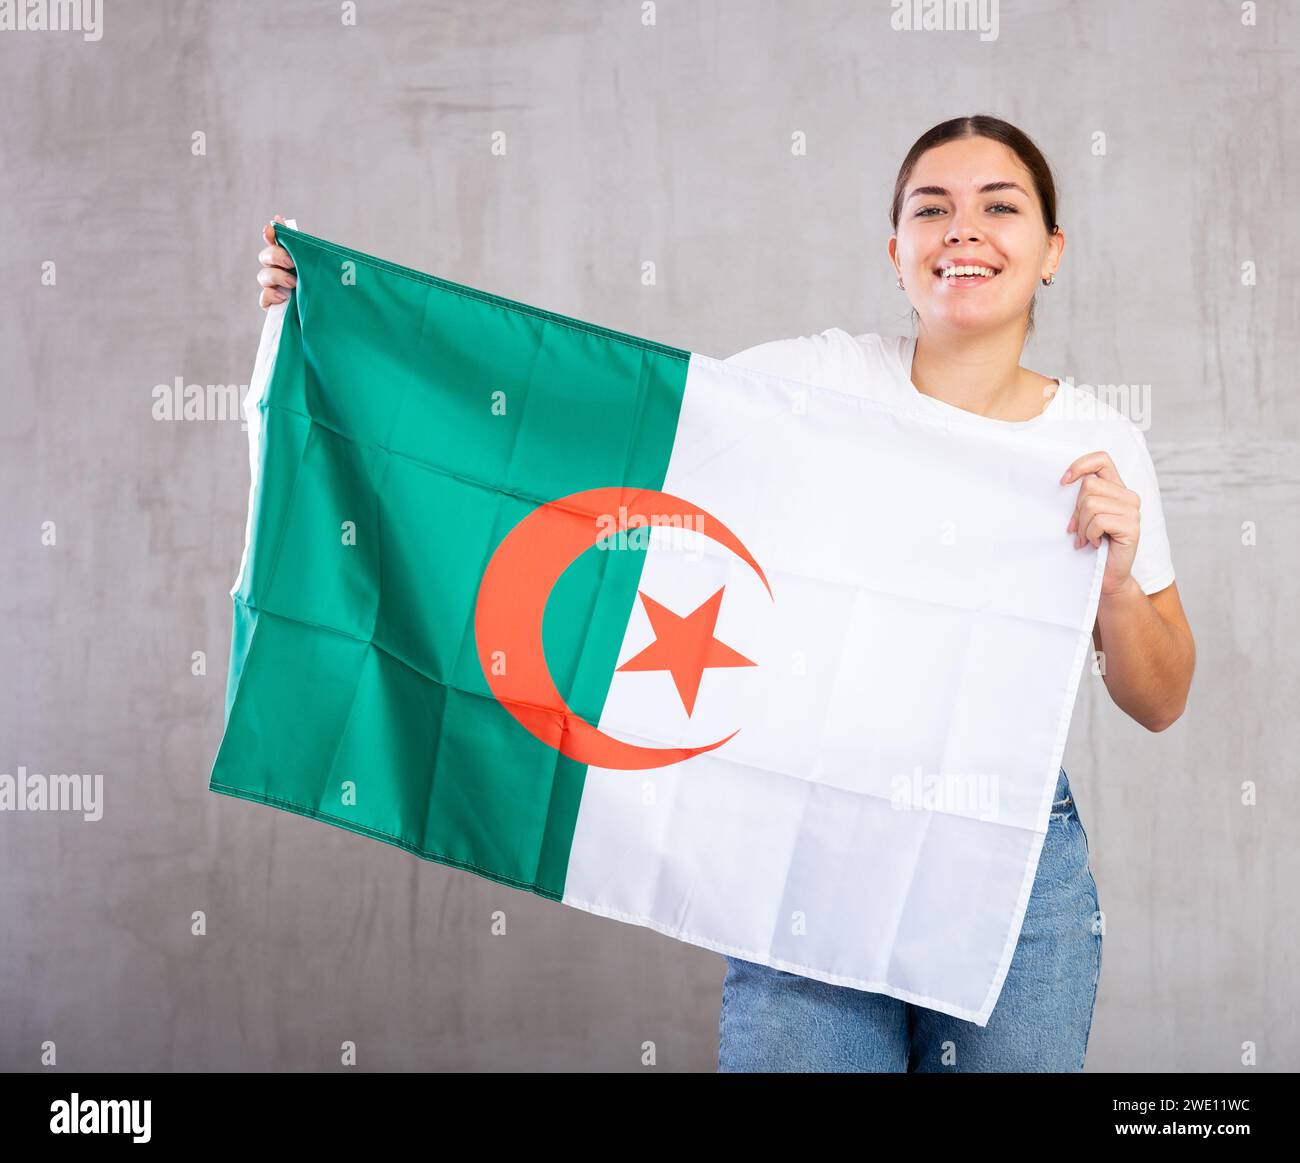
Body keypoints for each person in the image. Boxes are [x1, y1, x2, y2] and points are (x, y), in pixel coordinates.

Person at [252, 114, 1196, 1071]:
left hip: (1010, 859)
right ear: (896, 249)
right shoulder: (815, 383)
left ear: (1050, 251)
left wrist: (1115, 585)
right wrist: (343, 314)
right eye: (932, 210)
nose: (964, 230)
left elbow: (1158, 698)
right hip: (815, 842)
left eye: (1001, 207)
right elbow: (588, 431)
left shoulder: (1096, 444)